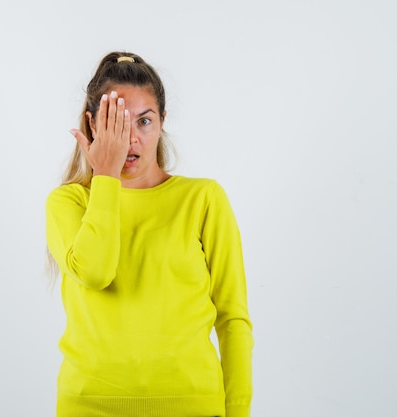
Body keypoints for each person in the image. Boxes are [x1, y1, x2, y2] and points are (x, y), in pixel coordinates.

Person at [45, 51, 253, 417]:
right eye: (117, 124)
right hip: (89, 406)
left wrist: (238, 411)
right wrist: (106, 176)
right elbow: (96, 271)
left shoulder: (203, 199)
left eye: (143, 121)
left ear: (162, 122)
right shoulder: (69, 202)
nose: (131, 139)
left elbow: (232, 319)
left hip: (193, 406)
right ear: (93, 125)